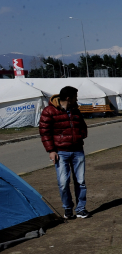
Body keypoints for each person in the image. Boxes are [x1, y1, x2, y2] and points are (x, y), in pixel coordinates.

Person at [39, 85, 89, 219]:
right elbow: (44, 132)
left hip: (77, 150)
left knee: (80, 181)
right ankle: (68, 208)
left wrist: (80, 136)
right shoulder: (49, 111)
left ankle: (81, 209)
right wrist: (51, 150)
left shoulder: (75, 110)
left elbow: (82, 126)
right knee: (63, 182)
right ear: (68, 98)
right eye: (75, 97)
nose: (76, 99)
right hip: (60, 152)